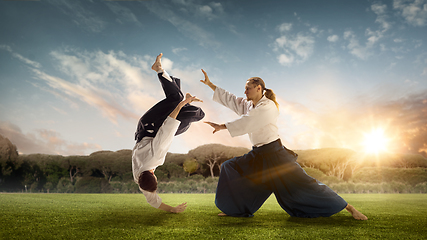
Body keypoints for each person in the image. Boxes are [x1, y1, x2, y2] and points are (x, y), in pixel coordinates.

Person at [200, 69, 367, 220]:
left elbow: (250, 121)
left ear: (259, 88)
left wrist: (222, 126)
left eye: (248, 88)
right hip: (258, 155)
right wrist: (210, 85)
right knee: (230, 167)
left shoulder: (268, 106)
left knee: (304, 183)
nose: (245, 91)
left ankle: (349, 208)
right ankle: (235, 209)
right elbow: (230, 100)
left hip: (275, 155)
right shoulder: (249, 105)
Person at [132, 53, 204, 213]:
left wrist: (183, 103)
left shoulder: (155, 157)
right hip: (144, 129)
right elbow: (153, 200)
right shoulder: (139, 177)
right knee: (185, 126)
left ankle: (159, 70)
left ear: (154, 176)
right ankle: (178, 93)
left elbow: (169, 125)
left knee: (191, 109)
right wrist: (172, 210)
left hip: (153, 124)